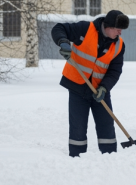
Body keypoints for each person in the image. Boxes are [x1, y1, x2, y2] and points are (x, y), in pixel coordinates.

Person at [52, 10, 128, 157]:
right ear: (108, 26)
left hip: (100, 90)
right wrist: (63, 42)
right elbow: (59, 28)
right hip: (77, 86)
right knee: (78, 128)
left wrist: (105, 88)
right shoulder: (85, 29)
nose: (120, 33)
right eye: (118, 29)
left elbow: (115, 71)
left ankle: (110, 158)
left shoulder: (118, 45)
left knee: (106, 126)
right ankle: (77, 159)